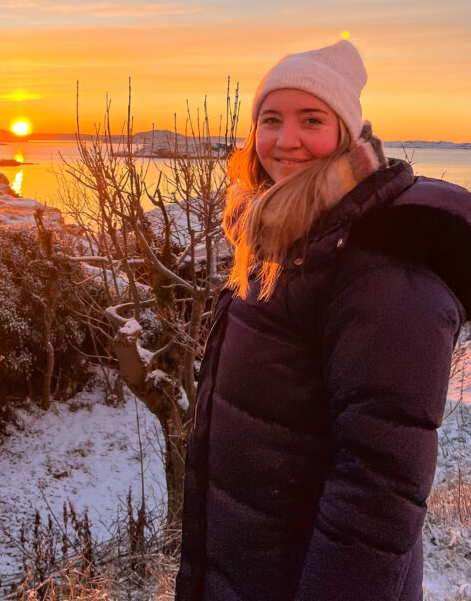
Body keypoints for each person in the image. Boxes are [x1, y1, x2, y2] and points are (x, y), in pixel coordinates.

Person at [175, 38, 471, 601]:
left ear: (346, 133)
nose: (285, 141)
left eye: (311, 119)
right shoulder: (282, 238)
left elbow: (378, 492)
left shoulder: (382, 265)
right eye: (271, 119)